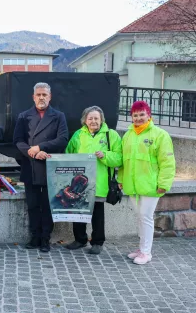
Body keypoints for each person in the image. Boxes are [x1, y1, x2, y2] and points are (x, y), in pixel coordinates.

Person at [118, 101, 175, 265]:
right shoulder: (128, 135)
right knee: (140, 217)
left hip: (150, 185)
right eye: (135, 115)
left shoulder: (160, 135)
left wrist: (164, 183)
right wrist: (121, 179)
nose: (138, 118)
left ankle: (146, 252)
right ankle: (141, 248)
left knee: (146, 216)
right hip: (132, 184)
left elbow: (167, 162)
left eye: (142, 114)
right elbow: (124, 160)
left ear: (149, 115)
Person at [13, 82, 68, 252]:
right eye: (38, 95)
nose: (41, 97)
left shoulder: (58, 116)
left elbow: (63, 139)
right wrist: (32, 151)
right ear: (33, 97)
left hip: (50, 167)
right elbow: (17, 141)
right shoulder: (24, 116)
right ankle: (34, 237)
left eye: (44, 95)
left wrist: (41, 147)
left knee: (48, 205)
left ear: (50, 97)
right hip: (31, 166)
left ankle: (45, 238)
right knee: (33, 205)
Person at [64, 106, 122, 254]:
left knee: (97, 213)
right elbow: (68, 153)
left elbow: (119, 158)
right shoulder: (78, 135)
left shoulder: (111, 135)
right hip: (79, 183)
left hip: (99, 182)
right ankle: (80, 239)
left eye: (96, 118)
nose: (93, 121)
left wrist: (105, 156)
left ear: (101, 119)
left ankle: (97, 242)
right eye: (90, 118)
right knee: (78, 210)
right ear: (85, 120)